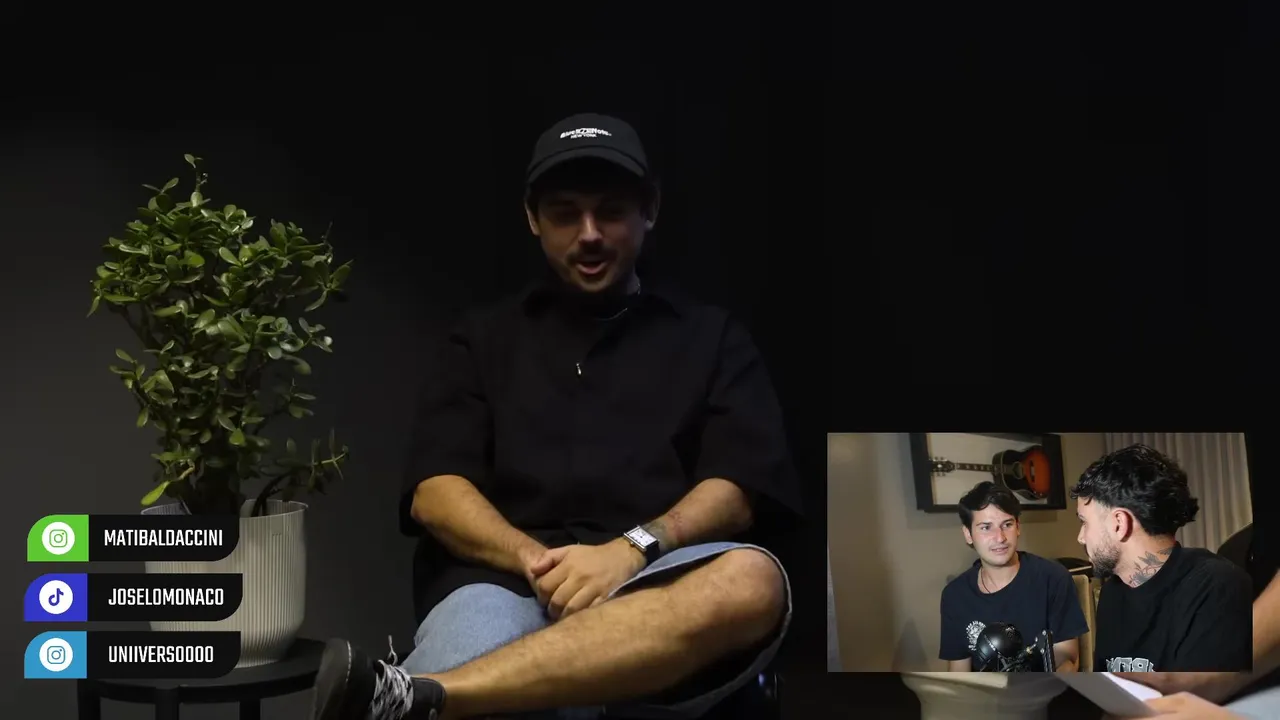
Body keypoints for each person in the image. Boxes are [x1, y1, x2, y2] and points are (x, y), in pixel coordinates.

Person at [310, 113, 802, 720]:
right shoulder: (480, 340)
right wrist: (534, 561)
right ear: (533, 218)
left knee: (752, 579)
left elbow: (739, 490)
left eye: (611, 212)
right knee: (477, 637)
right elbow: (435, 492)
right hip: (506, 586)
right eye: (566, 213)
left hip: (655, 580)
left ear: (649, 210)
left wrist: (631, 549)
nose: (589, 234)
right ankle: (438, 691)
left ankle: (425, 696)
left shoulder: (713, 338)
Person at [1073, 444, 1252, 673]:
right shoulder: (1112, 593)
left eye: (1084, 522)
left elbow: (1196, 694)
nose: (1080, 537)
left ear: (1119, 524)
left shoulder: (1216, 588)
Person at [939, 481, 1087, 671]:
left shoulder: (1053, 578)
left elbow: (1067, 659)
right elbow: (959, 673)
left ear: (1018, 527)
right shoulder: (955, 596)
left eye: (1007, 525)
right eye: (986, 527)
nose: (1000, 538)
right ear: (968, 534)